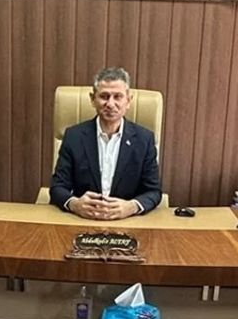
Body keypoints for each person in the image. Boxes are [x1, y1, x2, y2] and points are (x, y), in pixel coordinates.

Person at [50, 67, 163, 220]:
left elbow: (154, 191)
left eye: (118, 97)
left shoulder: (144, 139)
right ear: (92, 99)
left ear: (128, 101)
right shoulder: (74, 136)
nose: (110, 104)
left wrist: (131, 207)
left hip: (127, 221)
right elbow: (57, 187)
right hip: (82, 219)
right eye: (104, 96)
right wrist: (75, 204)